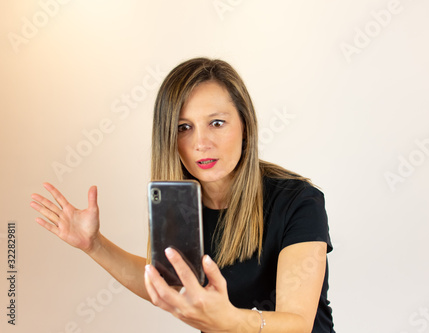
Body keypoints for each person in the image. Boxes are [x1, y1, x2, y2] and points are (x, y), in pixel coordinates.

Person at [30, 58, 335, 332]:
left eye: (217, 123)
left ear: (245, 126)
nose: (201, 142)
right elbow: (168, 283)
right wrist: (94, 245)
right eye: (184, 127)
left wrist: (230, 320)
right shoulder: (179, 206)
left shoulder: (298, 201)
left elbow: (298, 323)